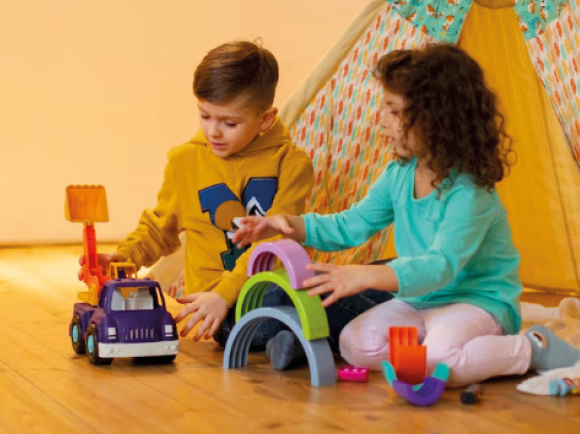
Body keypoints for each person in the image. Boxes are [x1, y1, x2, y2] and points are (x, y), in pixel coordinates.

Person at [233, 44, 580, 386]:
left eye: (394, 111)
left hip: (476, 302)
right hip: (418, 302)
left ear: (437, 120)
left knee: (443, 363)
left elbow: (440, 266)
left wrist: (365, 276)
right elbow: (351, 225)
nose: (382, 120)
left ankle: (532, 347)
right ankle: (440, 351)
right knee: (354, 343)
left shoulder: (470, 193)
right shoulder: (399, 175)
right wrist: (287, 225)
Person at [80, 40, 391, 352]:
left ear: (266, 119)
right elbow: (159, 228)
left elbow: (277, 240)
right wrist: (125, 258)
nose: (213, 131)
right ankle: (336, 332)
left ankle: (301, 339)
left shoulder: (291, 163)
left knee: (362, 276)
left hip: (273, 288)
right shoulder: (184, 161)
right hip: (220, 308)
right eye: (205, 116)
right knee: (291, 303)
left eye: (229, 123)